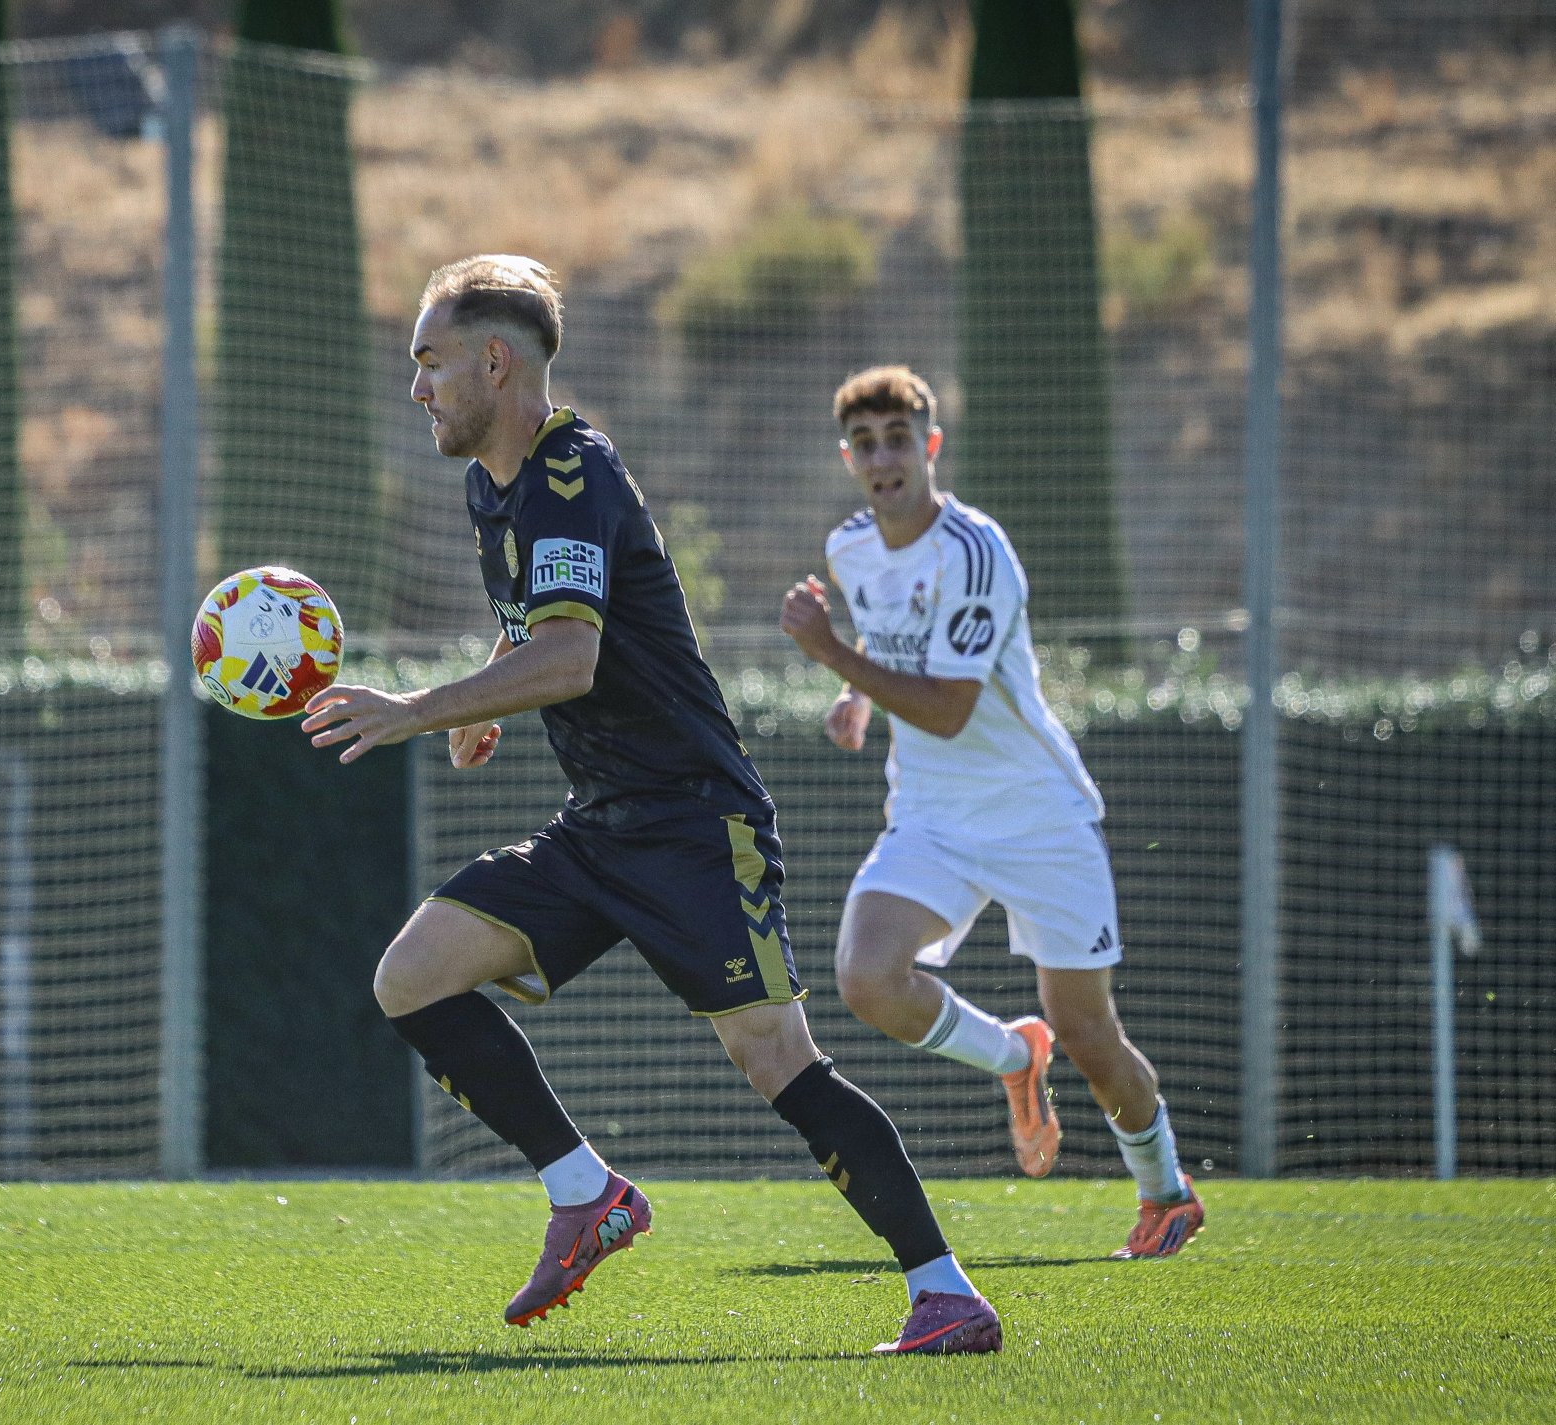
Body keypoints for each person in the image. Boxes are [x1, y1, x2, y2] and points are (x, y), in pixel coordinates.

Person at [301, 257, 1000, 1354]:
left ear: (496, 361)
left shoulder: (569, 473)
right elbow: (541, 626)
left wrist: (421, 710)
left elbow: (572, 658)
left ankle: (945, 1291)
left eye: (428, 361)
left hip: (692, 824)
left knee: (778, 1062)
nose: (417, 388)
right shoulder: (492, 481)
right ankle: (586, 1192)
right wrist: (489, 686)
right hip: (602, 822)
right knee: (412, 976)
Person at [779, 364, 1203, 1259]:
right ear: (847, 457)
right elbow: (895, 654)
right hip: (932, 814)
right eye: (864, 442)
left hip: (1038, 817)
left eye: (899, 438)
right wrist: (858, 699)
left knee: (1090, 1032)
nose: (882, 457)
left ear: (930, 447)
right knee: (865, 977)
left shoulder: (976, 550)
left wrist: (831, 658)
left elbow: (947, 706)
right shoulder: (850, 547)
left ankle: (1165, 1190)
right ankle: (1014, 1055)